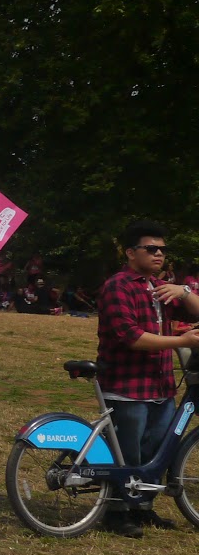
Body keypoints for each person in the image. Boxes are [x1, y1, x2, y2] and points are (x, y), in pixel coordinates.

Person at [94, 221, 199, 536]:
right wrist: (182, 341)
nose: (159, 254)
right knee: (127, 454)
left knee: (155, 452)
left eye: (163, 250)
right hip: (127, 386)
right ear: (130, 253)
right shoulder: (118, 286)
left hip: (161, 387)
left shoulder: (161, 287)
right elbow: (131, 337)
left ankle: (142, 507)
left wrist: (184, 291)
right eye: (151, 249)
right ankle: (116, 512)